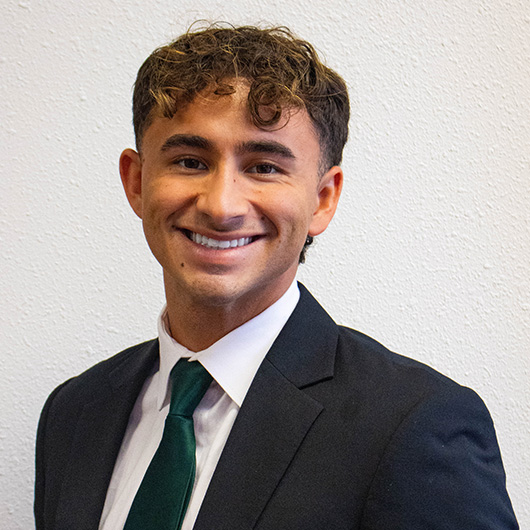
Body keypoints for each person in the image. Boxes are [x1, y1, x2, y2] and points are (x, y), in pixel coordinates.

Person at [34, 24, 518, 530]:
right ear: (136, 182)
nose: (221, 206)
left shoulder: (414, 425)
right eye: (190, 161)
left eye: (264, 168)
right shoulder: (75, 413)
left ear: (323, 199)